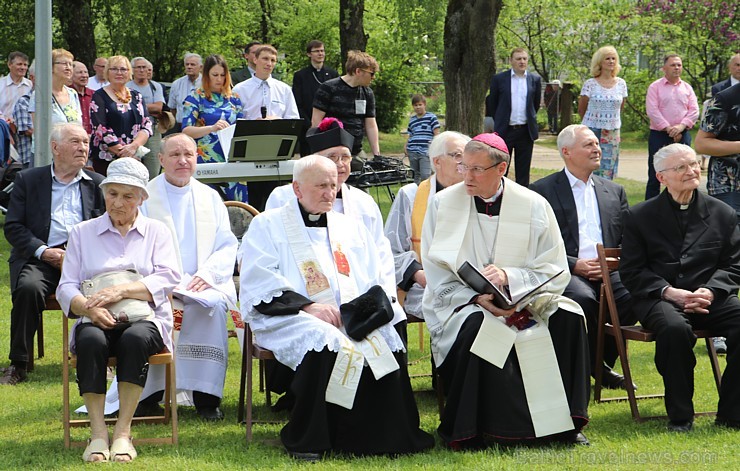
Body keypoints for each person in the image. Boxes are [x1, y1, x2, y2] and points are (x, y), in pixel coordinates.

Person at [240, 155, 434, 459]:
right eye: (320, 186)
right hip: (289, 315)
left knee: (386, 341)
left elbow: (372, 275)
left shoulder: (349, 227)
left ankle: (382, 437)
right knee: (327, 342)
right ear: (297, 189)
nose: (329, 193)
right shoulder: (268, 225)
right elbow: (260, 278)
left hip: (347, 314)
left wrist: (360, 313)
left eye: (333, 186)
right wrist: (308, 307)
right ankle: (314, 436)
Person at [422, 133, 590, 448]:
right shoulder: (443, 204)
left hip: (527, 295)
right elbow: (434, 264)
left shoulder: (533, 204)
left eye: (476, 169)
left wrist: (509, 279)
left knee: (570, 315)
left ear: (501, 169)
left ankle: (566, 424)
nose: (466, 176)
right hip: (465, 299)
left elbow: (554, 265)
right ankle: (479, 428)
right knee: (479, 326)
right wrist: (478, 296)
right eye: (464, 167)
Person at [56, 157, 180, 462]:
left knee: (134, 339)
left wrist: (120, 290)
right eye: (112, 194)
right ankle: (98, 433)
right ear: (104, 194)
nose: (118, 203)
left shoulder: (156, 231)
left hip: (144, 318)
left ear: (141, 199)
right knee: (90, 341)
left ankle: (123, 432)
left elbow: (169, 276)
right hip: (94, 317)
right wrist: (87, 307)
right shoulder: (82, 232)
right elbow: (65, 285)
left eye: (128, 196)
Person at [619, 143, 740, 433]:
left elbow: (734, 265)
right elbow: (632, 271)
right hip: (659, 298)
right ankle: (680, 416)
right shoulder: (639, 216)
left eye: (694, 164)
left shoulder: (722, 213)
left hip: (711, 297)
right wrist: (670, 292)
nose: (691, 171)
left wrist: (710, 291)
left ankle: (733, 413)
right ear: (661, 177)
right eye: (681, 167)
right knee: (675, 329)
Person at [263, 118, 406, 335]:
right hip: (306, 297)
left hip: (359, 296)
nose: (340, 164)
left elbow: (380, 251)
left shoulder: (363, 202)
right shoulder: (282, 197)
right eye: (332, 157)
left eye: (345, 157)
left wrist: (383, 295)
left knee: (394, 316)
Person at [136, 133, 238, 420]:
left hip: (201, 284)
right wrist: (164, 281)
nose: (182, 160)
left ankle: (207, 399)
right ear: (162, 159)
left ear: (197, 158)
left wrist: (207, 274)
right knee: (154, 313)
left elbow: (226, 244)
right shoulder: (146, 196)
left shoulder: (210, 197)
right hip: (161, 284)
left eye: (188, 155)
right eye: (175, 155)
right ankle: (150, 396)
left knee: (212, 308)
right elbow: (136, 245)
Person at [530, 124, 636, 389]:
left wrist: (615, 262)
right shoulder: (542, 191)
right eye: (588, 144)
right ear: (566, 152)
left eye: (597, 144)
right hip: (565, 270)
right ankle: (590, 367)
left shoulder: (615, 191)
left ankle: (599, 363)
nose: (597, 148)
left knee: (634, 297)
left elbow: (627, 237)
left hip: (610, 270)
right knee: (583, 301)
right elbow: (534, 244)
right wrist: (574, 264)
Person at [0, 123, 105, 386]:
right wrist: (45, 252)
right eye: (75, 142)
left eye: (85, 142)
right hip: (43, 257)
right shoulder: (29, 180)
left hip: (87, 259)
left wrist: (81, 254)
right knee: (28, 287)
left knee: (108, 290)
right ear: (55, 148)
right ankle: (18, 363)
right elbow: (13, 226)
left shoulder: (98, 184)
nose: (82, 147)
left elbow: (108, 227)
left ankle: (106, 358)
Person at [385, 131, 470, 319]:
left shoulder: (475, 195)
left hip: (469, 283)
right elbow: (390, 249)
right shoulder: (412, 196)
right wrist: (419, 274)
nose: (463, 161)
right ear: (436, 161)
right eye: (457, 155)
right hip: (423, 285)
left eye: (466, 156)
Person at [181, 54, 247, 202]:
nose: (219, 79)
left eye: (223, 75)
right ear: (206, 75)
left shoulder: (234, 98)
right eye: (215, 75)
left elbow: (242, 125)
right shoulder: (195, 97)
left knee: (238, 205)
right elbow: (186, 131)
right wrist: (211, 128)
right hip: (207, 159)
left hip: (232, 158)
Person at [312, 50, 381, 169]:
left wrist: (377, 155)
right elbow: (316, 121)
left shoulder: (367, 93)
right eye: (371, 73)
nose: (373, 77)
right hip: (332, 152)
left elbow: (370, 124)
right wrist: (322, 152)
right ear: (358, 71)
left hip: (356, 151)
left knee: (362, 185)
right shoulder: (328, 88)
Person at [644, 54, 699, 200]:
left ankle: (686, 201)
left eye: (679, 65)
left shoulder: (687, 88)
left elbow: (694, 110)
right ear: (664, 68)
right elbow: (652, 110)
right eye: (673, 65)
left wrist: (681, 127)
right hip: (659, 134)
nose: (676, 68)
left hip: (683, 134)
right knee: (656, 172)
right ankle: (650, 207)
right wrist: (669, 128)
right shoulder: (655, 87)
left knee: (687, 171)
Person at [90, 55, 153, 176]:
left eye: (123, 69)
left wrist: (134, 147)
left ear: (130, 73)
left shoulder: (137, 96)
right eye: (114, 69)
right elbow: (100, 128)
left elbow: (147, 124)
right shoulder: (99, 96)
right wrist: (124, 153)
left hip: (135, 156)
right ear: (107, 72)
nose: (119, 72)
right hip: (107, 159)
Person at [488, 48, 542, 187]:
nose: (522, 62)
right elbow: (492, 103)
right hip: (505, 130)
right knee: (501, 167)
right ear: (511, 61)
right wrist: (501, 120)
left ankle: (522, 198)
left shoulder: (534, 79)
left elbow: (534, 105)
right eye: (518, 59)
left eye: (524, 59)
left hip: (525, 131)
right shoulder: (499, 79)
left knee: (523, 170)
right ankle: (498, 193)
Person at [578, 46, 628, 180]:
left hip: (611, 131)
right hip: (591, 129)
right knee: (589, 163)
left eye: (613, 59)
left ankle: (605, 195)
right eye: (607, 59)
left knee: (607, 166)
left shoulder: (621, 84)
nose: (611, 61)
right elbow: (582, 108)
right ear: (600, 62)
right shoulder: (590, 84)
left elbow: (621, 106)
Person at [292, 40, 339, 156]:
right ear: (309, 54)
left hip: (329, 126)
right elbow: (298, 102)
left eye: (322, 51)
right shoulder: (300, 76)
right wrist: (310, 125)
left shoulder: (333, 74)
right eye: (316, 51)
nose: (320, 54)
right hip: (308, 125)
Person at [232, 45, 299, 120]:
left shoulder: (285, 90)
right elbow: (233, 121)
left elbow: (293, 120)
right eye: (265, 59)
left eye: (273, 60)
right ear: (255, 60)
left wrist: (277, 120)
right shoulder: (239, 89)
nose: (269, 64)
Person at [127, 57, 167, 179]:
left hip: (153, 131)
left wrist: (136, 105)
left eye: (144, 67)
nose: (142, 70)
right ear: (132, 70)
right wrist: (148, 108)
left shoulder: (155, 86)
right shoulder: (126, 86)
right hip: (130, 131)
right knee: (132, 166)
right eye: (138, 67)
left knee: (154, 167)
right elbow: (124, 108)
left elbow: (158, 108)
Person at [29, 49, 82, 127]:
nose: (68, 68)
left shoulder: (72, 93)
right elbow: (38, 130)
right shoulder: (40, 94)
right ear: (51, 67)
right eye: (64, 64)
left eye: (70, 64)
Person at [404, 94, 440, 184]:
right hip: (412, 151)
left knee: (425, 175)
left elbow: (436, 134)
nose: (418, 107)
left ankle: (427, 195)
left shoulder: (431, 117)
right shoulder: (412, 120)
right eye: (415, 105)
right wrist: (406, 146)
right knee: (414, 175)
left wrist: (435, 147)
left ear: (424, 104)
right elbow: (410, 135)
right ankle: (415, 195)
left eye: (420, 104)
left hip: (425, 151)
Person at [168, 53, 202, 133]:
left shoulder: (207, 83)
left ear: (200, 67)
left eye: (192, 64)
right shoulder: (176, 84)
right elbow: (173, 108)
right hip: (179, 127)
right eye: (187, 64)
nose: (189, 67)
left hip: (200, 129)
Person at [12, 60, 34, 168]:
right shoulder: (24, 101)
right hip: (31, 157)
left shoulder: (69, 96)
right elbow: (27, 130)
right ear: (33, 78)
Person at [0, 51, 32, 121]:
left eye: (25, 65)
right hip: (3, 128)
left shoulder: (31, 86)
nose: (23, 67)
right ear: (9, 65)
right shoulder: (1, 84)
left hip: (26, 129)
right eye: (19, 64)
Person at [71, 61, 95, 135]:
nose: (84, 75)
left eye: (86, 72)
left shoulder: (95, 94)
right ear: (71, 74)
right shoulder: (67, 94)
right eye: (80, 72)